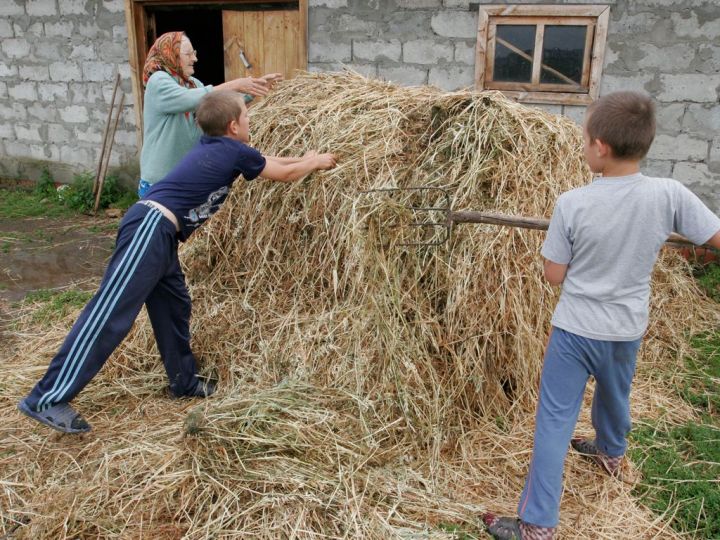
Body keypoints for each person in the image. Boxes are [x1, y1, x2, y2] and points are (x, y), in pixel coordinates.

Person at [17, 90, 337, 434]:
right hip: (149, 227)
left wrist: (303, 158)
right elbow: (284, 174)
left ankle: (183, 381)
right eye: (246, 116)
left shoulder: (225, 149)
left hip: (163, 236)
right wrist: (315, 163)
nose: (249, 121)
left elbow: (270, 161)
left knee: (173, 305)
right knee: (111, 313)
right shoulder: (232, 150)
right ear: (233, 126)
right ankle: (47, 397)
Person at [483, 91, 720, 540]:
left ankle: (537, 524)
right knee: (615, 392)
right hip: (626, 326)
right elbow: (713, 236)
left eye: (585, 139)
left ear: (601, 148)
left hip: (575, 330)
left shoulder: (573, 203)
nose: (583, 146)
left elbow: (554, 276)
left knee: (554, 420)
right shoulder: (668, 193)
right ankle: (611, 452)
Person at [138, 31, 283, 197]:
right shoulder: (158, 81)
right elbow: (191, 99)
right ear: (170, 54)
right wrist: (236, 84)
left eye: (194, 53)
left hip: (185, 179)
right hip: (160, 182)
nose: (194, 59)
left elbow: (218, 105)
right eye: (188, 54)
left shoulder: (192, 84)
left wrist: (255, 89)